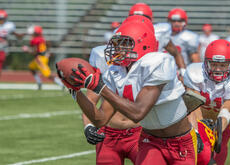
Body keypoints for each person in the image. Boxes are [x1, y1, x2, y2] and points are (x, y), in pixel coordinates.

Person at [60, 19, 197, 164]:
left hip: (180, 141)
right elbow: (100, 120)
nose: (117, 48)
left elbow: (138, 112)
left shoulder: (158, 63)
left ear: (142, 44)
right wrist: (75, 92)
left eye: (123, 43)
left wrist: (100, 88)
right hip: (150, 141)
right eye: (116, 44)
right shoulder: (116, 72)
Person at [183, 39, 230, 165]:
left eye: (223, 65)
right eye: (213, 64)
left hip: (220, 124)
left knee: (217, 159)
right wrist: (200, 132)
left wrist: (218, 130)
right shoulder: (195, 73)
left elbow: (229, 107)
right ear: (206, 62)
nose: (217, 69)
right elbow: (194, 106)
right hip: (194, 121)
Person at [129, 3, 186, 76]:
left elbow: (176, 53)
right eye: (135, 17)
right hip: (132, 72)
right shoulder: (124, 32)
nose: (139, 20)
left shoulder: (160, 32)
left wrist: (183, 72)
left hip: (156, 72)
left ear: (151, 19)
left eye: (143, 17)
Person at [22, 25, 64, 90]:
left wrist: (27, 50)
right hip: (42, 57)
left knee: (47, 74)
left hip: (40, 59)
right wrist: (48, 52)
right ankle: (39, 82)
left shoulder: (34, 40)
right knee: (31, 67)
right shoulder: (42, 38)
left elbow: (35, 52)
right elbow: (48, 44)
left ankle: (62, 84)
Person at [0, 9, 23, 77]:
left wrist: (19, 35)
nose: (1, 20)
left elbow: (13, 32)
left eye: (2, 19)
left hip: (3, 47)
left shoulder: (9, 25)